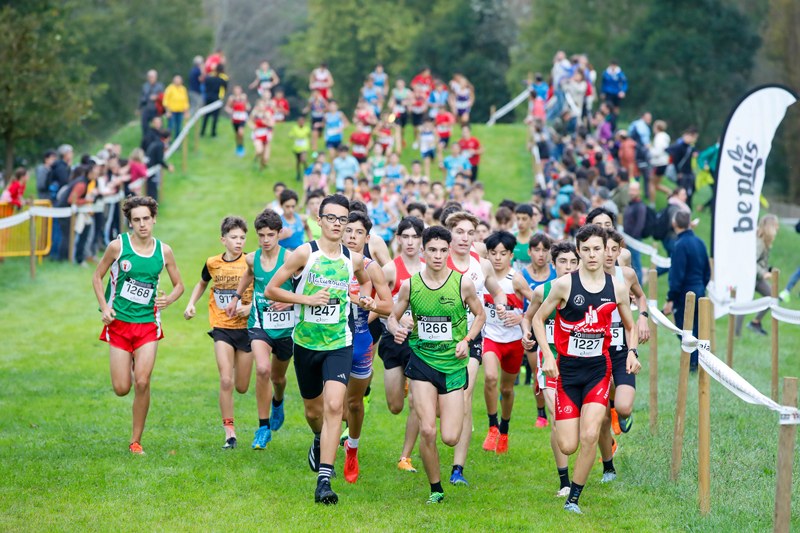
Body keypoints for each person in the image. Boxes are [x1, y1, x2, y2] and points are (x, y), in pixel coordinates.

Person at [264, 194, 387, 505]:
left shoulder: (354, 260)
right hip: (305, 343)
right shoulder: (304, 254)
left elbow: (372, 291)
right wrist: (307, 299)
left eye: (341, 219)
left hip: (339, 344)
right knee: (313, 411)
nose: (336, 224)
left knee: (335, 407)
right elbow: (271, 290)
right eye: (330, 218)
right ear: (319, 221)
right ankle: (319, 438)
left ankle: (324, 481)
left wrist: (366, 300)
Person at [533, 224, 640, 514]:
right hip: (567, 372)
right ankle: (577, 429)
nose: (592, 255)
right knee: (568, 444)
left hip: (598, 370)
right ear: (578, 251)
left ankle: (574, 499)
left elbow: (630, 325)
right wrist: (547, 355)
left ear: (606, 250)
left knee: (590, 435)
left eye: (597, 248)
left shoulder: (616, 286)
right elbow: (537, 320)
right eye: (586, 249)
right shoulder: (565, 285)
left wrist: (631, 352)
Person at [387, 225, 486, 504]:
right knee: (427, 429)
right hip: (421, 363)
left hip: (453, 366)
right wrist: (397, 326)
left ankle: (442, 406)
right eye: (433, 250)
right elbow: (393, 316)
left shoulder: (461, 283)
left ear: (450, 251)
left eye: (444, 250)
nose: (439, 255)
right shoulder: (411, 284)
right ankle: (436, 489)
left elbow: (480, 315)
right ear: (423, 251)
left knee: (451, 437)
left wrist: (466, 340)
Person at [91, 196, 185, 454]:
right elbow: (97, 277)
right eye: (136, 220)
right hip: (119, 324)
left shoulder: (163, 251)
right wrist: (105, 306)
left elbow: (180, 285)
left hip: (147, 325)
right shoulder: (117, 247)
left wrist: (169, 300)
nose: (142, 224)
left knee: (142, 382)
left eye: (146, 219)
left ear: (154, 219)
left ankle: (136, 441)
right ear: (130, 223)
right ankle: (129, 361)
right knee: (122, 388)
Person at [445, 211, 508, 486]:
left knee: (466, 393)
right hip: (437, 342)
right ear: (449, 233)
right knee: (436, 404)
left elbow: (497, 290)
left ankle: (457, 469)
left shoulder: (481, 265)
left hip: (471, 337)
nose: (465, 237)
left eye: (470, 233)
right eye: (459, 231)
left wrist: (501, 302)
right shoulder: (436, 260)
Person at [227, 209, 296, 448]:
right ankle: (263, 427)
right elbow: (249, 274)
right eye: (261, 235)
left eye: (270, 235)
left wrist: (289, 301)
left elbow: (305, 288)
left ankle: (278, 400)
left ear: (279, 234)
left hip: (287, 329)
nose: (266, 240)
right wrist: (236, 297)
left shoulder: (290, 259)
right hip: (260, 323)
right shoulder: (251, 258)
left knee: (278, 377)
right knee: (263, 370)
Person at [183, 217, 253, 449]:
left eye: (242, 237)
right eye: (234, 237)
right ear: (223, 240)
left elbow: (265, 290)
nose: (239, 242)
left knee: (241, 386)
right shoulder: (212, 262)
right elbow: (202, 283)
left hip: (247, 329)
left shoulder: (251, 262)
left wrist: (249, 307)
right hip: (222, 327)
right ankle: (229, 433)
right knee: (226, 379)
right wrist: (191, 303)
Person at [521, 240, 580, 496]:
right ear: (553, 265)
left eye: (573, 262)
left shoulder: (587, 292)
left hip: (581, 364)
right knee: (558, 418)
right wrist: (526, 334)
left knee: (577, 423)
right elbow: (529, 317)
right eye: (563, 262)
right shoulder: (542, 292)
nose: (568, 267)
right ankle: (564, 481)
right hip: (550, 362)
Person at [341, 210, 393, 483]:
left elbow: (389, 305)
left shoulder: (371, 267)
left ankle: (353, 447)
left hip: (360, 339)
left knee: (354, 402)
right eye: (348, 230)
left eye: (358, 232)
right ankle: (322, 442)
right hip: (329, 340)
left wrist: (373, 304)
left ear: (367, 237)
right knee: (330, 404)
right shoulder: (327, 261)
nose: (352, 237)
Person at [596, 231, 650, 480]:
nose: (608, 254)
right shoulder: (586, 277)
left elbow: (640, 296)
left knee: (624, 407)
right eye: (603, 248)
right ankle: (608, 466)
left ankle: (618, 410)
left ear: (619, 252)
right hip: (596, 349)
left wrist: (642, 316)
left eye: (613, 249)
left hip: (621, 348)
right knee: (601, 417)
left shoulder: (626, 274)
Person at [480, 231, 534, 454]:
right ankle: (492, 427)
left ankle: (504, 428)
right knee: (491, 378)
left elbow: (537, 302)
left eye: (503, 253)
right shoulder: (482, 276)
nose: (498, 258)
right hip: (491, 338)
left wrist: (521, 317)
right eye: (493, 253)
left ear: (511, 255)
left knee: (507, 389)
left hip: (513, 342)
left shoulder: (517, 279)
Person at [379, 216, 425, 472]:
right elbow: (378, 306)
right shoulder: (390, 270)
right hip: (393, 341)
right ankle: (405, 382)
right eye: (405, 237)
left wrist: (416, 321)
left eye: (414, 237)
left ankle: (405, 457)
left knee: (417, 403)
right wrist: (394, 323)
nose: (410, 242)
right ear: (398, 239)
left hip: (420, 343)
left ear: (421, 240)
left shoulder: (430, 268)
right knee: (395, 406)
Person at [663, 211, 710, 372]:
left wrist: (671, 298)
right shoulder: (700, 242)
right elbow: (707, 271)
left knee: (684, 330)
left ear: (674, 224)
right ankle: (696, 360)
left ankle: (693, 361)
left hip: (685, 294)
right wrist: (701, 287)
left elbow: (677, 275)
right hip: (699, 291)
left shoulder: (679, 245)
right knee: (695, 328)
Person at [519, 233, 557, 426]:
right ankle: (541, 412)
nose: (541, 254)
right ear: (529, 252)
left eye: (545, 250)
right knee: (537, 371)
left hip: (553, 326)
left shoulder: (556, 273)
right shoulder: (523, 275)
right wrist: (523, 326)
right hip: (533, 327)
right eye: (536, 250)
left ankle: (554, 410)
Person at [735, 215, 780, 336]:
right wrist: (763, 273)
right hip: (751, 278)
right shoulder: (759, 243)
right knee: (744, 303)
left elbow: (760, 261)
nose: (778, 228)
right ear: (770, 227)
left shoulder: (764, 241)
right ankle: (736, 334)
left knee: (772, 297)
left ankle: (755, 322)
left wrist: (768, 269)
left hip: (757, 278)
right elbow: (751, 262)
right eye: (776, 226)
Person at [622, 181, 646, 282]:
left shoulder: (640, 206)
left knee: (636, 264)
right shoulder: (631, 204)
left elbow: (640, 225)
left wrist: (632, 239)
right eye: (630, 190)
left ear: (639, 191)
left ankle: (638, 285)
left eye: (634, 190)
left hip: (634, 240)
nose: (631, 192)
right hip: (628, 239)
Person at [200, 65, 228, 137]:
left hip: (208, 97)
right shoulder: (221, 79)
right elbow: (225, 88)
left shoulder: (208, 78)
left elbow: (204, 85)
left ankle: (202, 132)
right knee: (215, 117)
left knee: (206, 116)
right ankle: (213, 133)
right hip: (216, 98)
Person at [225, 85, 250, 157]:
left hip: (242, 117)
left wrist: (247, 107)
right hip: (235, 118)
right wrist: (231, 111)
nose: (237, 91)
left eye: (238, 90)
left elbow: (247, 106)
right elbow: (227, 107)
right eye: (236, 90)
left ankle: (241, 146)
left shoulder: (244, 97)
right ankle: (238, 146)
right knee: (237, 134)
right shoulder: (231, 98)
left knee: (241, 132)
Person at [249, 98, 275, 169]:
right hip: (257, 134)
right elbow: (249, 121)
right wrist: (252, 126)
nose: (261, 107)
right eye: (260, 105)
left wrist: (265, 122)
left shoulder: (267, 114)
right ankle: (256, 158)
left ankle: (262, 167)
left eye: (263, 105)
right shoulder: (254, 113)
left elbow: (272, 124)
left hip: (266, 134)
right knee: (259, 150)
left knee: (265, 157)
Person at [163, 75, 189, 140]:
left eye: (179, 80)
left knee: (179, 127)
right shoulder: (170, 88)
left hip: (180, 111)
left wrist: (186, 111)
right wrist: (167, 111)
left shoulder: (183, 89)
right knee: (170, 127)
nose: (177, 82)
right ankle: (168, 141)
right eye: (176, 80)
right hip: (172, 111)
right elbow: (165, 100)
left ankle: (177, 142)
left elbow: (185, 101)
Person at [139, 70, 164, 137]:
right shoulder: (145, 86)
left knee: (158, 125)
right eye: (150, 77)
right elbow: (142, 98)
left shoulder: (160, 86)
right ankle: (146, 140)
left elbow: (163, 97)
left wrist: (157, 97)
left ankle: (160, 139)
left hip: (156, 109)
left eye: (153, 77)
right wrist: (148, 98)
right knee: (144, 125)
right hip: (147, 108)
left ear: (156, 77)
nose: (151, 78)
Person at [289, 115, 311, 181]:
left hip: (304, 147)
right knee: (298, 162)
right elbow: (291, 134)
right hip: (297, 147)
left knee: (303, 159)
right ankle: (298, 175)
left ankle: (307, 171)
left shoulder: (306, 128)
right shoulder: (295, 128)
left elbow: (309, 135)